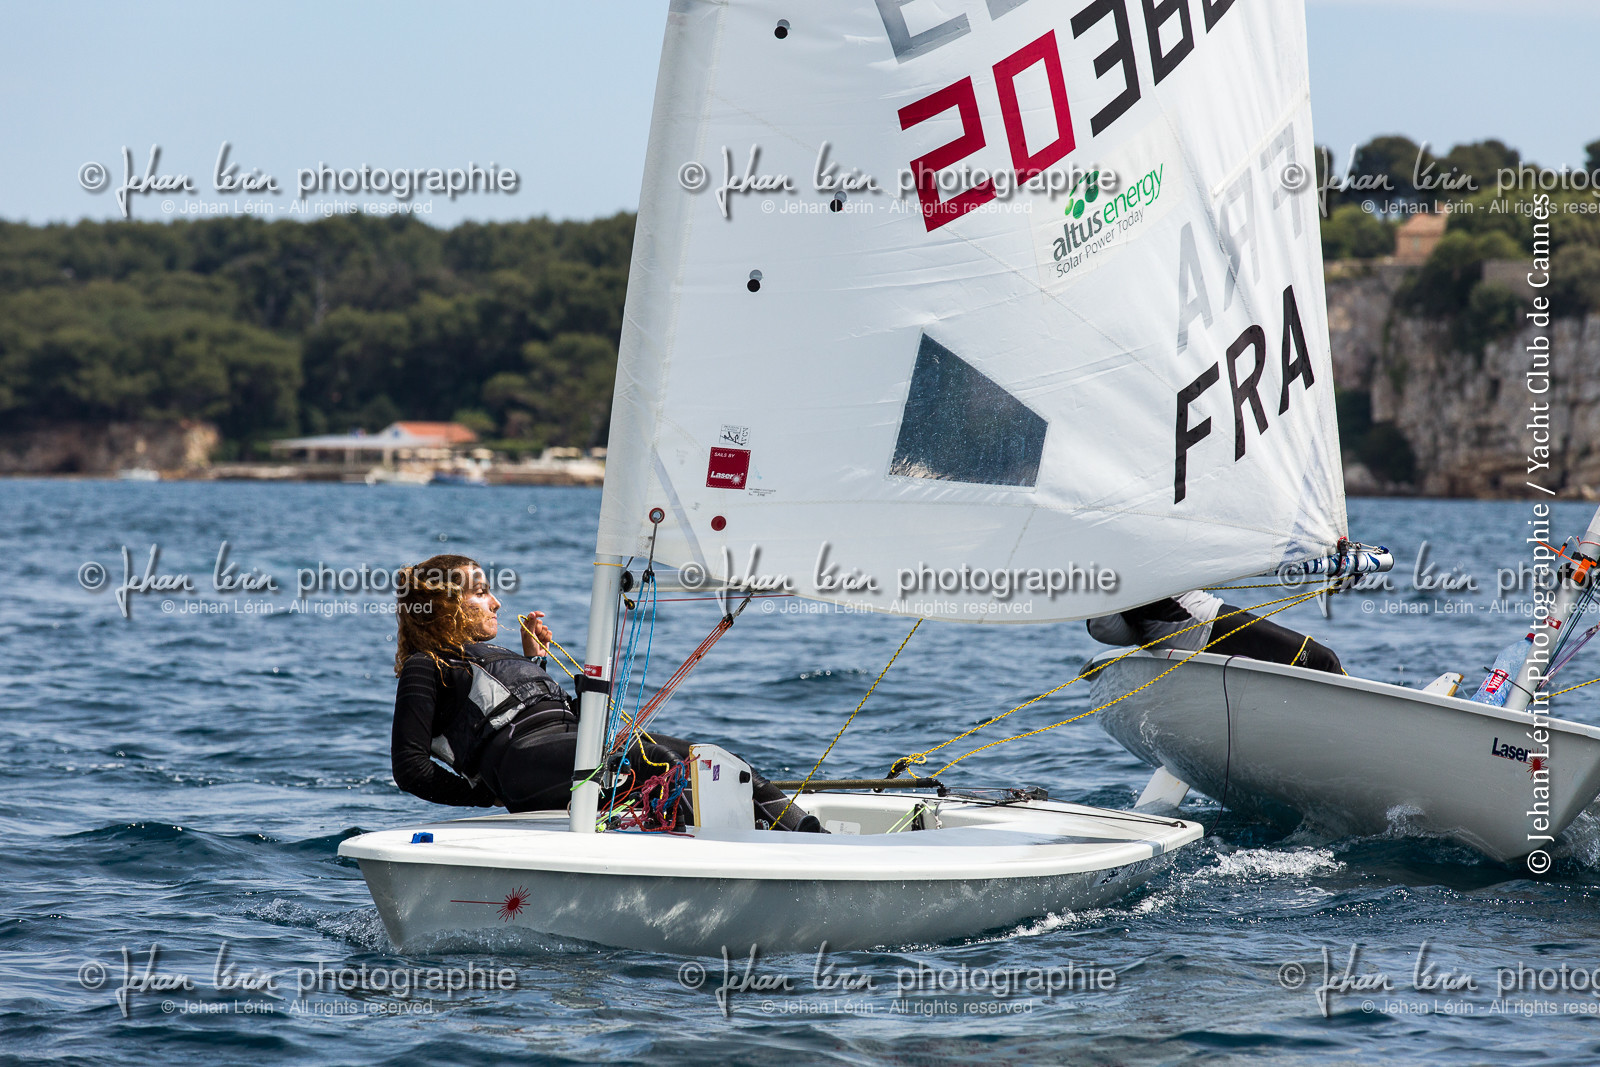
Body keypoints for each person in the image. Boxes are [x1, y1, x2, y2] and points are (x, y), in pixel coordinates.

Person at [389, 553, 822, 830]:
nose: (497, 602)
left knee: (713, 762)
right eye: (481, 592)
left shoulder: (501, 655)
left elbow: (528, 713)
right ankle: (722, 859)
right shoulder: (425, 667)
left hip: (563, 752)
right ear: (446, 605)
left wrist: (536, 661)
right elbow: (410, 767)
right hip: (523, 765)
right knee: (658, 762)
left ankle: (804, 836)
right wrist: (486, 795)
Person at [1086, 589, 1343, 673]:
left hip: (1196, 633)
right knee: (1324, 661)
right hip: (1211, 625)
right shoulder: (1123, 573)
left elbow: (1104, 630)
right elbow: (1102, 628)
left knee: (1321, 661)